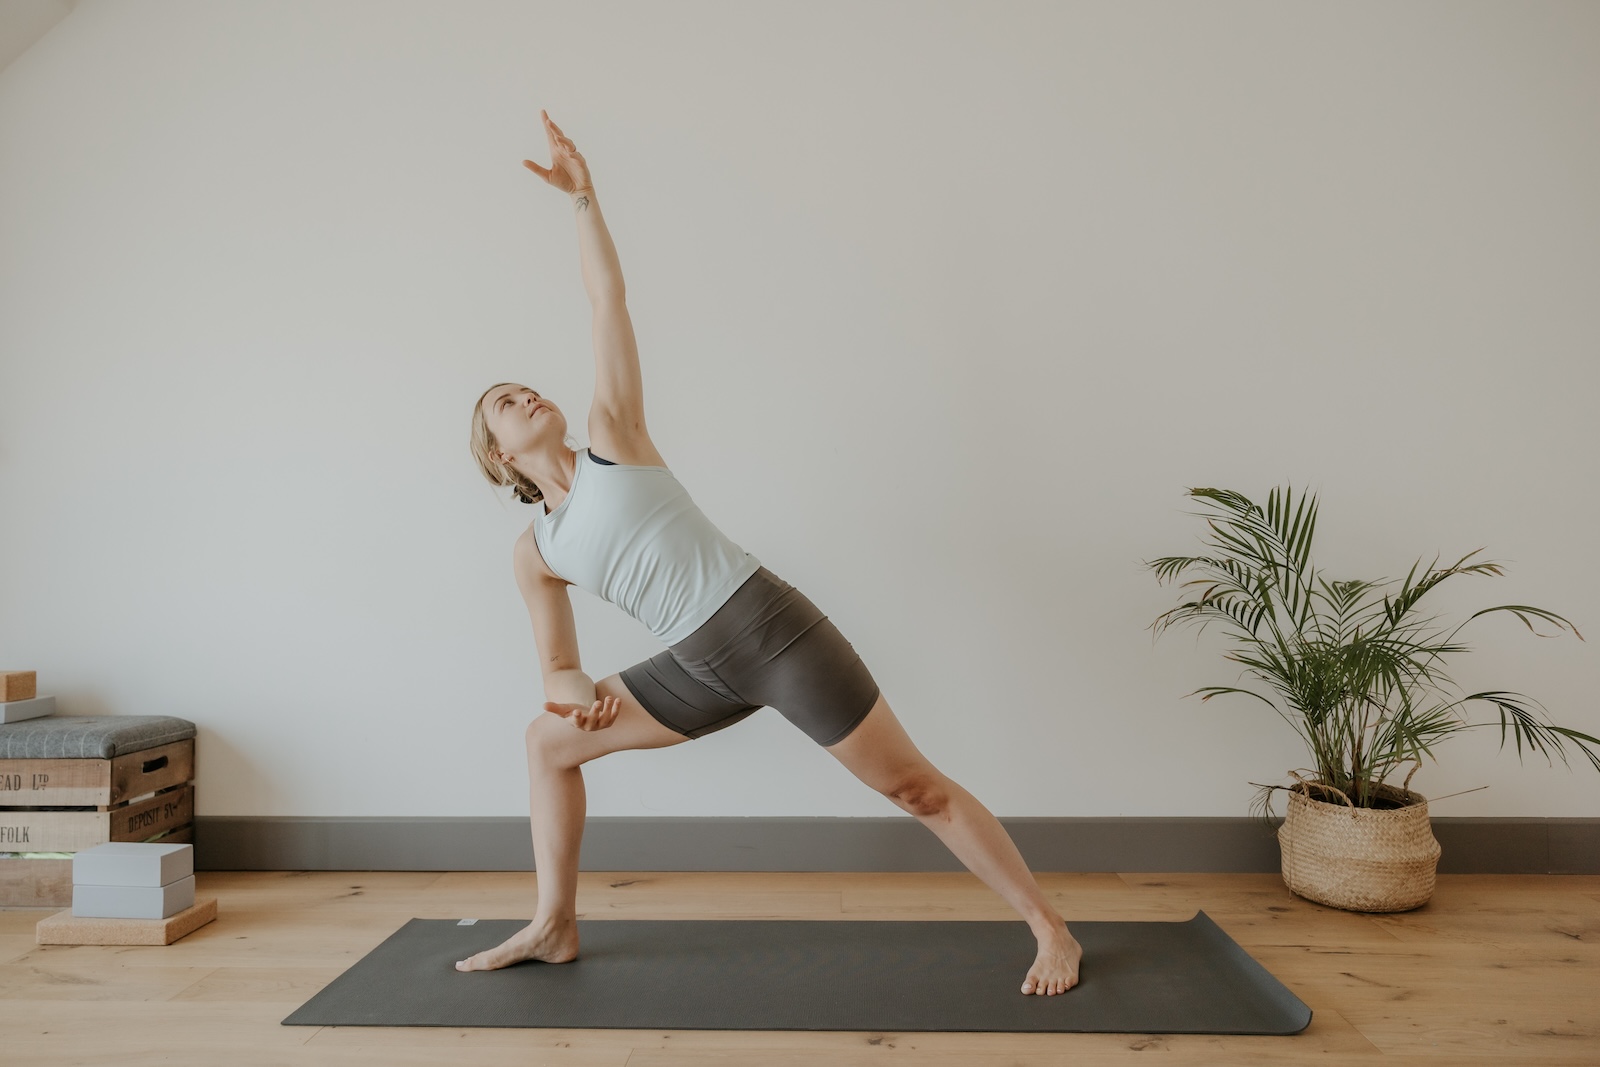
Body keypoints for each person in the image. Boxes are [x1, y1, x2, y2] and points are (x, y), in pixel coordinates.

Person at [460, 110, 1083, 996]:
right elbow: (558, 665)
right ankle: (555, 922)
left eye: (523, 386)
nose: (523, 395)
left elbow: (608, 302)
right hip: (696, 667)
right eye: (502, 406)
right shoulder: (537, 549)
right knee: (546, 742)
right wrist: (572, 698)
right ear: (497, 458)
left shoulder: (613, 437)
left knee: (917, 790)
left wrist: (585, 198)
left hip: (770, 629)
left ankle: (1050, 927)